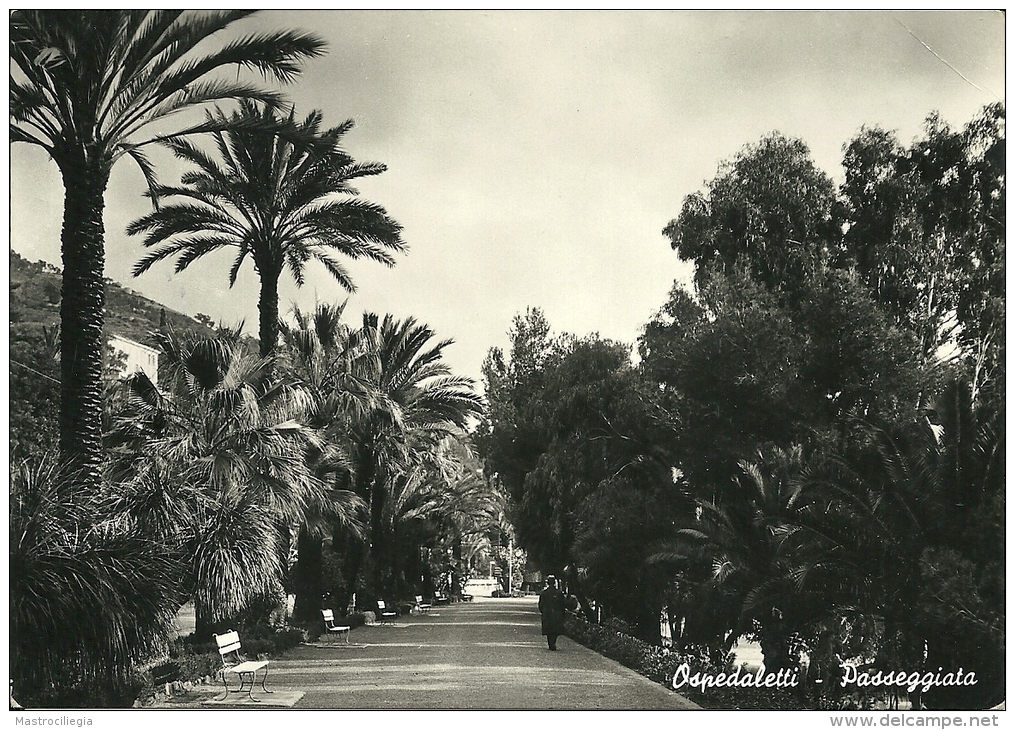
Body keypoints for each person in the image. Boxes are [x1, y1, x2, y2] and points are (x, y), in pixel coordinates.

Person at [538, 575, 566, 651]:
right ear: (554, 582)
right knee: (555, 629)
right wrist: (562, 613)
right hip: (557, 613)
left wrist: (543, 611)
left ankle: (551, 643)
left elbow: (540, 604)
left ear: (547, 583)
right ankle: (553, 643)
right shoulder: (559, 593)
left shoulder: (544, 593)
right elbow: (563, 604)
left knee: (549, 629)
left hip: (547, 613)